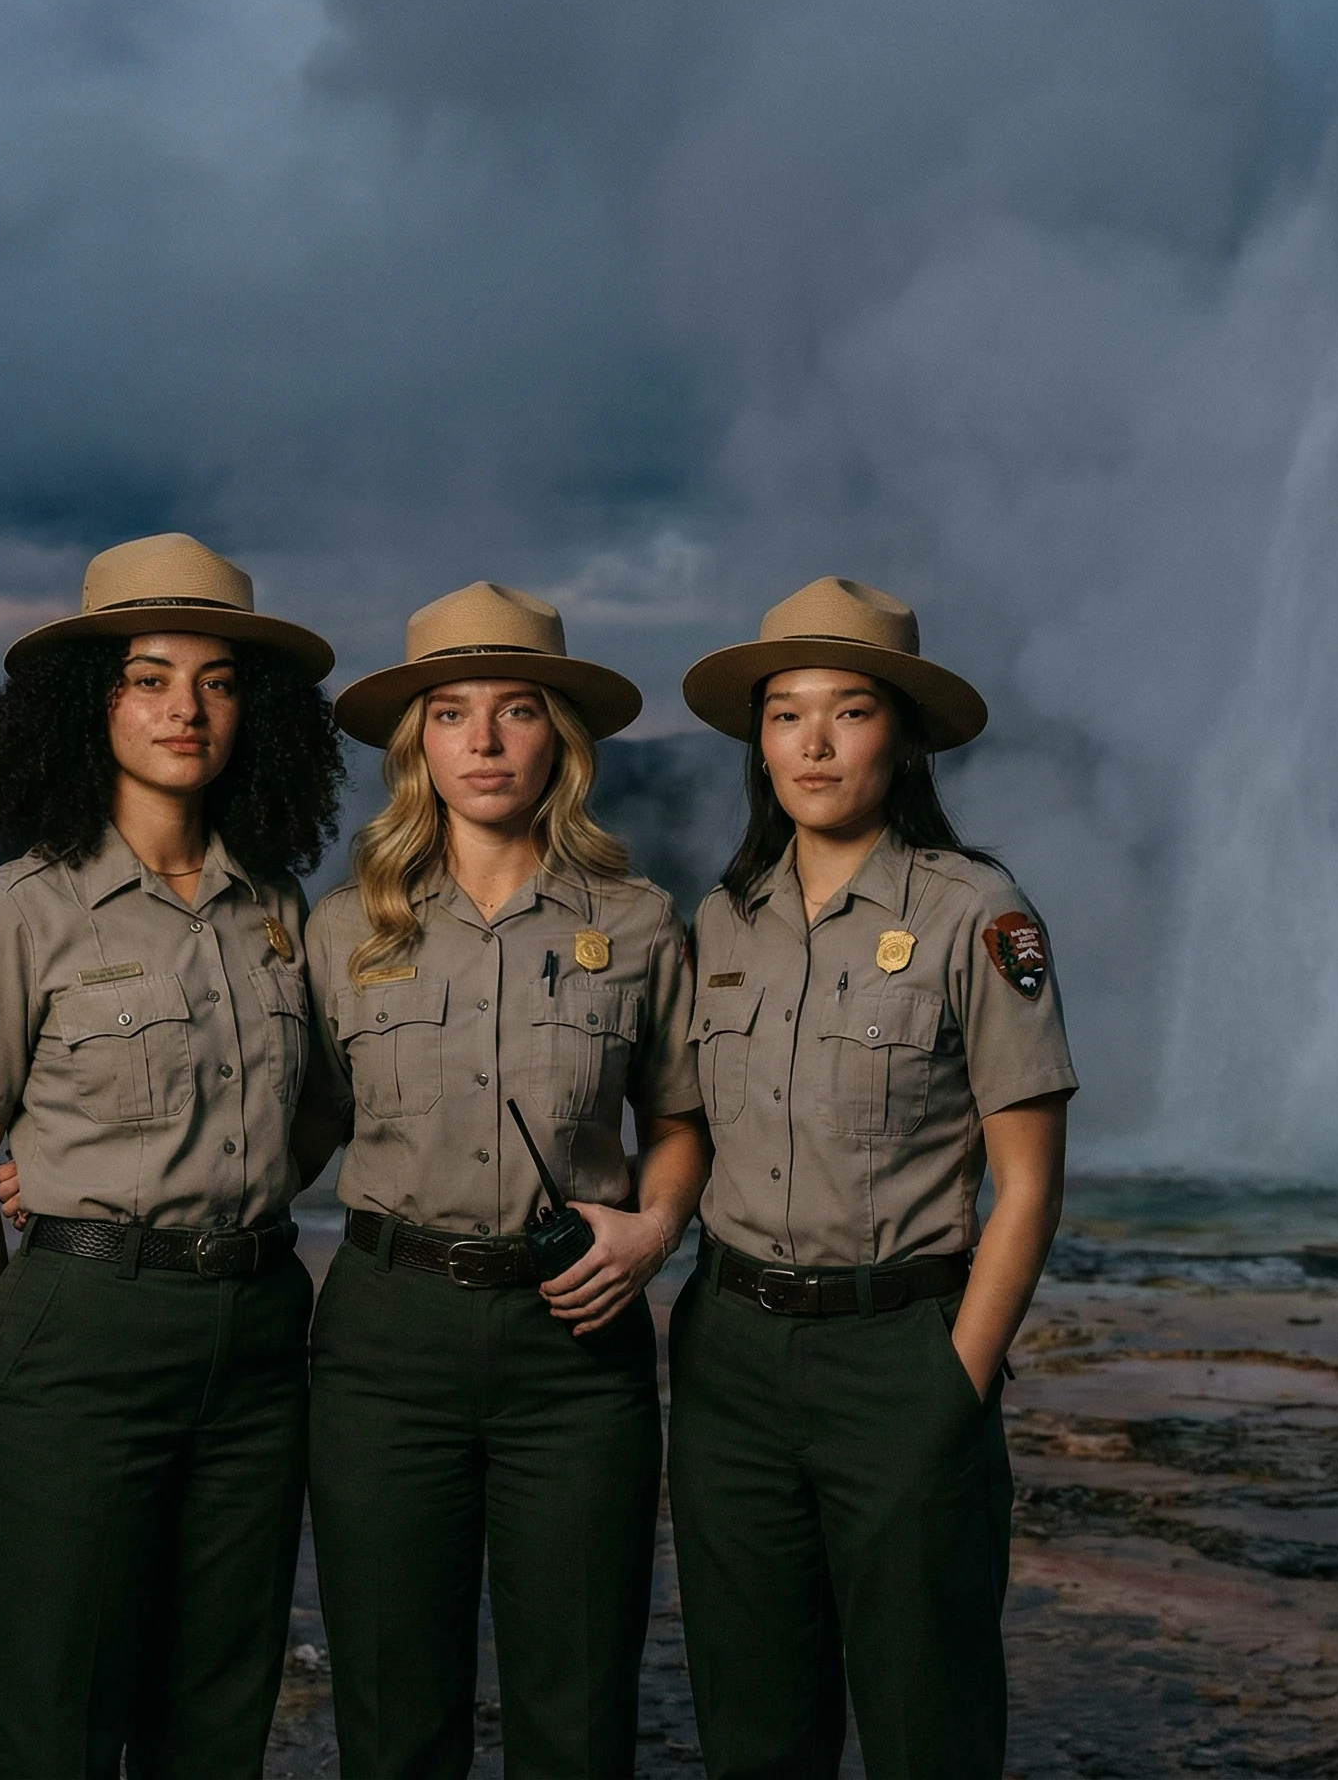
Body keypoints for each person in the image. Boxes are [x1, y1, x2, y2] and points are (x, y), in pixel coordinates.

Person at [0, 532, 343, 1779]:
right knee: (56, 1708)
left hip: (259, 1333)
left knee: (218, 1710)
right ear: (87, 703)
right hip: (81, 1332)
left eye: (215, 682)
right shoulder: (19, 911)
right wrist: (21, 1353)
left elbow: (313, 1108)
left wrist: (228, 1185)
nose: (185, 709)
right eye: (148, 677)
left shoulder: (276, 908)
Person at [296, 581, 710, 1779]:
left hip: (574, 1346)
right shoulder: (344, 931)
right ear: (416, 743)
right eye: (452, 712)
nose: (483, 740)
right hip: (386, 1342)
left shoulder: (635, 924)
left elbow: (678, 1118)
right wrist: (67, 1169)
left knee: (578, 1712)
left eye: (516, 710)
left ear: (559, 740)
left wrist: (656, 1228)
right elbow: (287, 1132)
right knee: (391, 1709)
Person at [667, 576, 1077, 1779]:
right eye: (786, 712)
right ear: (760, 741)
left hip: (903, 1353)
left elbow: (1031, 1185)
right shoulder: (723, 921)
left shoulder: (976, 914)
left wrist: (959, 1379)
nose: (813, 741)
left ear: (900, 738)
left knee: (925, 1728)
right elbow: (687, 1136)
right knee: (752, 1729)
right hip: (731, 1361)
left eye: (847, 710)